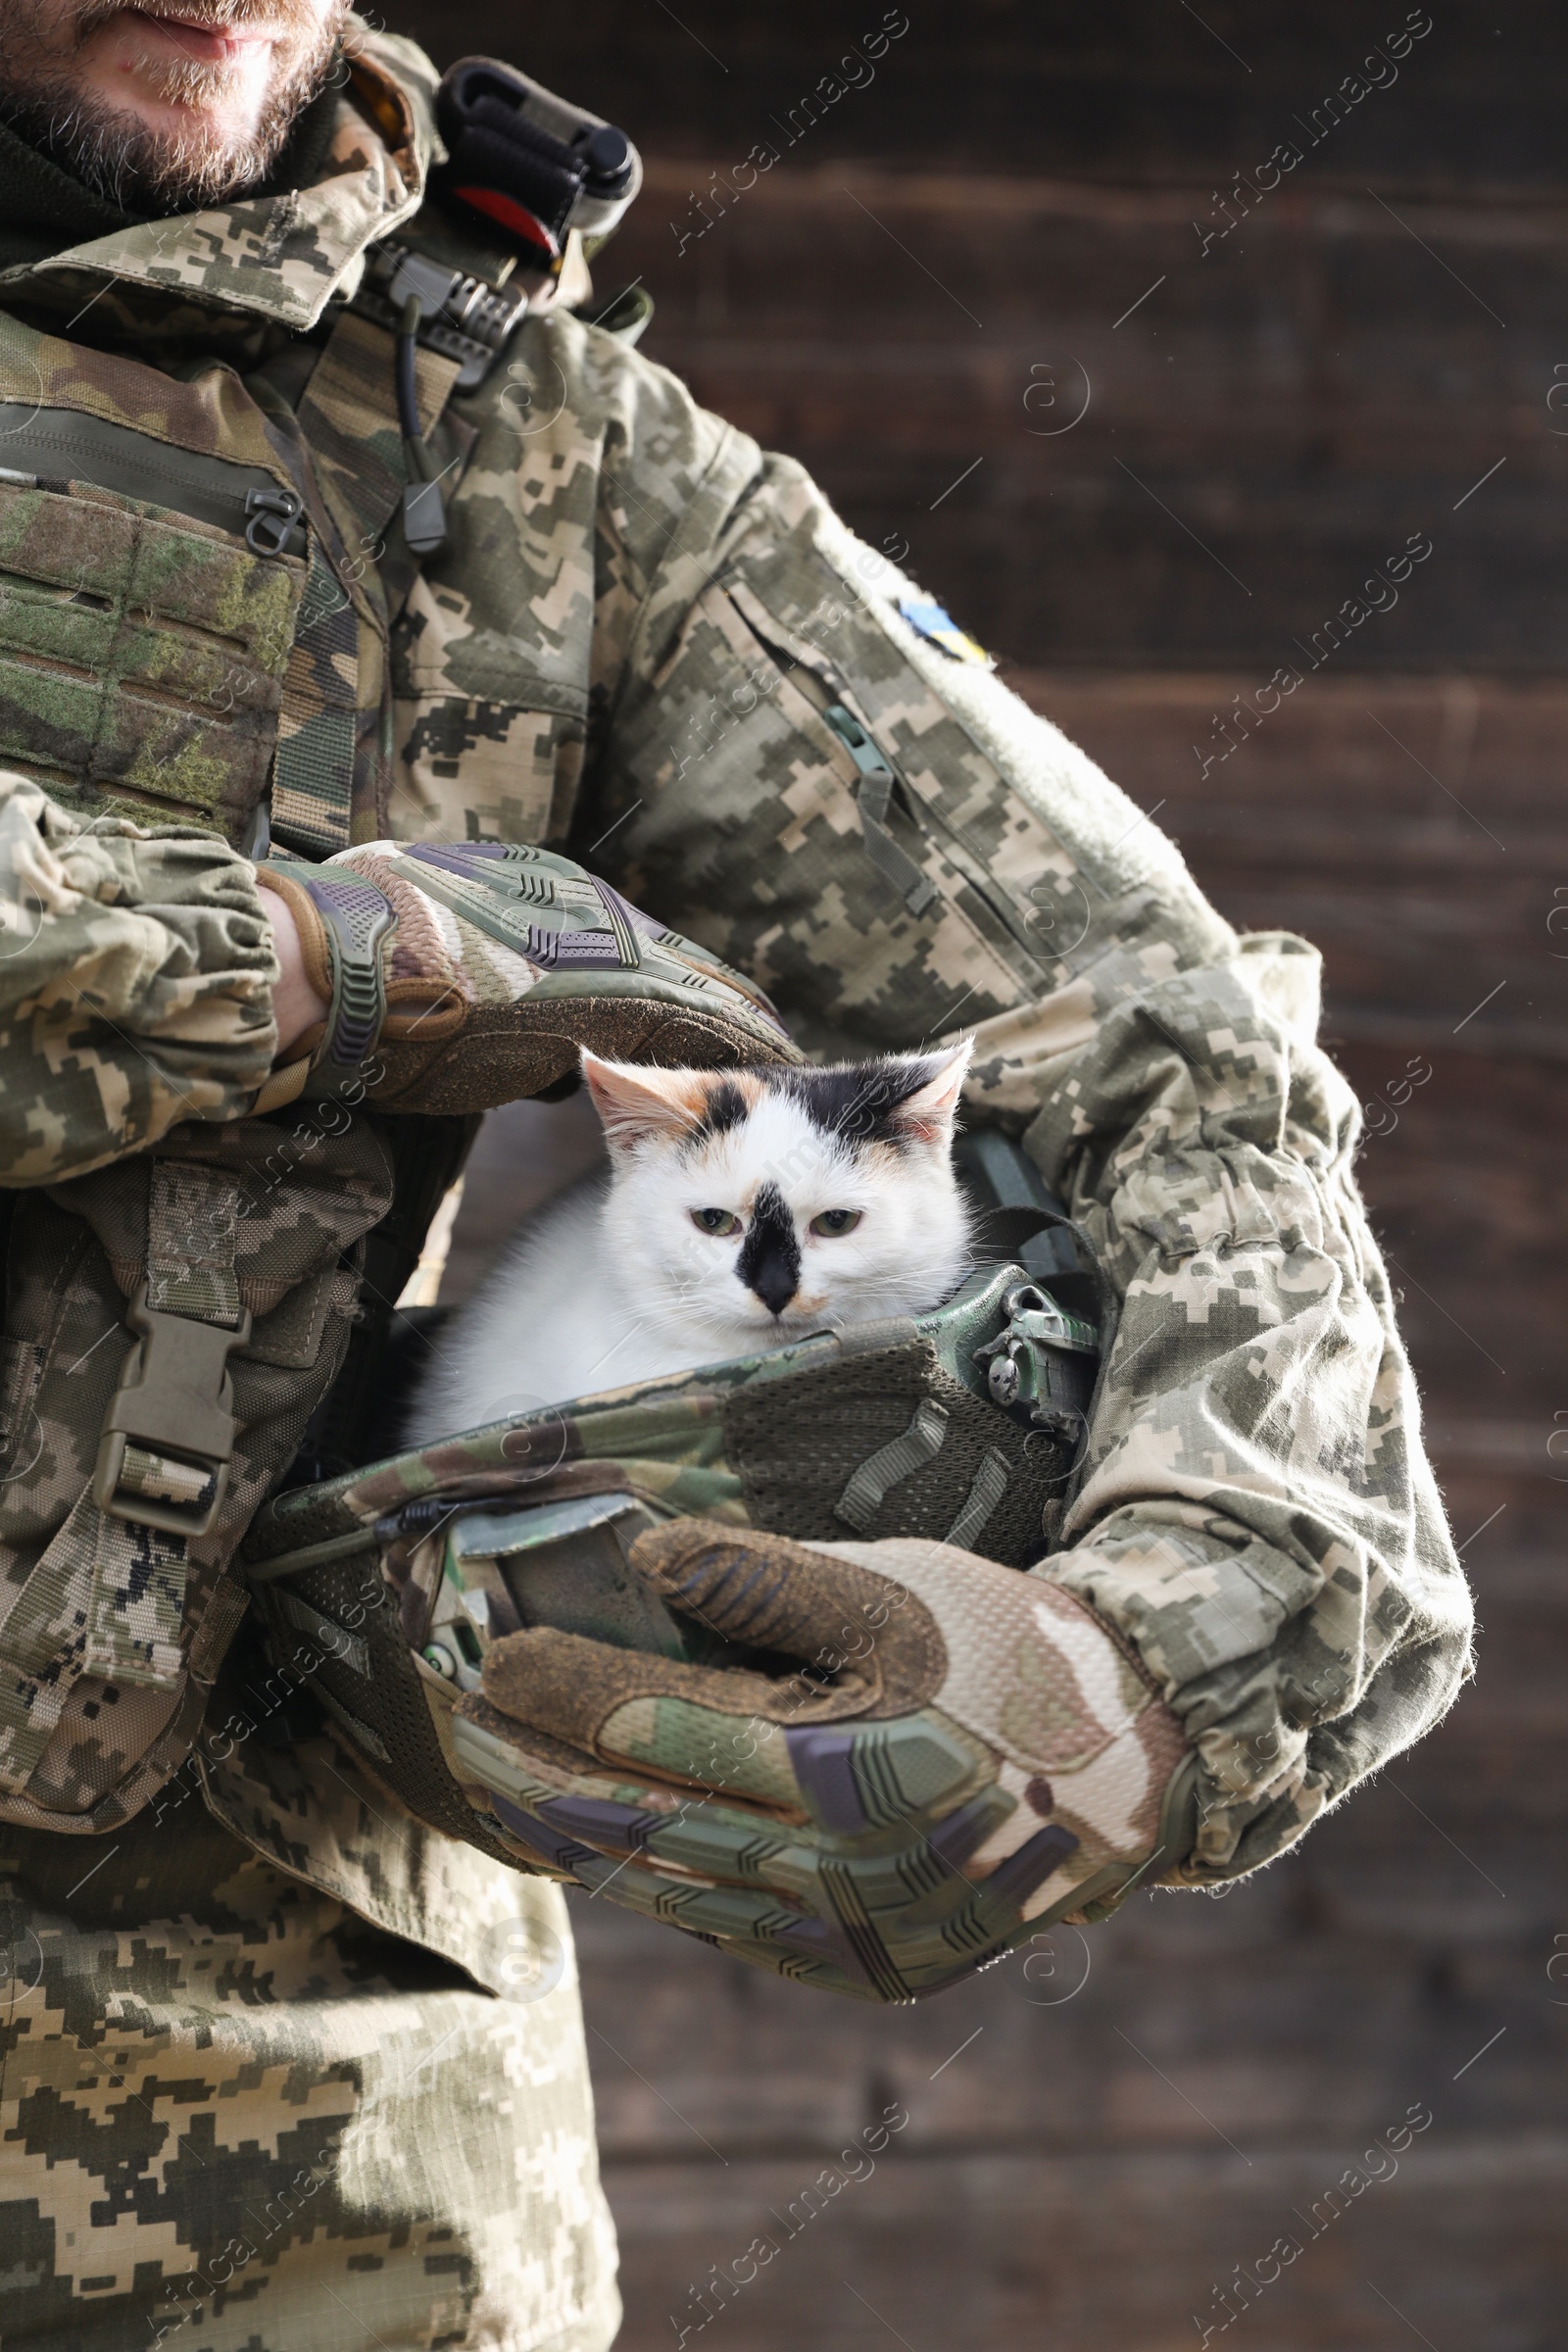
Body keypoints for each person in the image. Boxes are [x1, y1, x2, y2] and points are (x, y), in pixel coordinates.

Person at [0, 3, 1473, 2345]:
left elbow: (1162, 1043)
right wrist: (285, 967)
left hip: (310, 2148)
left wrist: (1160, 1660)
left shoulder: (525, 450)